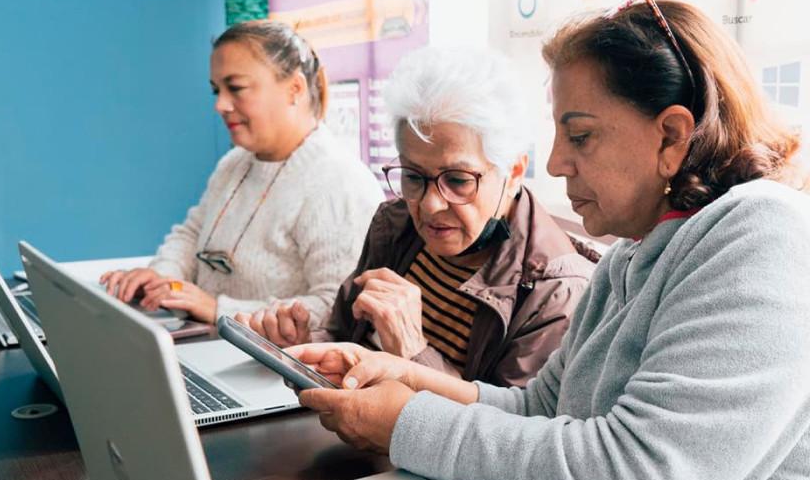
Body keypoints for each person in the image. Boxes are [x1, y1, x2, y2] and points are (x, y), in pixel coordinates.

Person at [281, 0, 810, 480]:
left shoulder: (770, 238)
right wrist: (400, 373)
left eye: (580, 135)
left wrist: (406, 423)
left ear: (670, 135)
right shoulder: (635, 254)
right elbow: (539, 412)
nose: (558, 162)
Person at [237, 47, 597, 387]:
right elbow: (343, 336)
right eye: (412, 177)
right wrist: (303, 346)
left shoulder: (556, 292)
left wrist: (412, 351)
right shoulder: (395, 224)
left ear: (514, 170)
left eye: (457, 180)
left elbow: (509, 438)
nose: (429, 206)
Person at [99, 21, 383, 324]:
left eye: (235, 88)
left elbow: (337, 310)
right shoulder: (234, 163)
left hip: (273, 366)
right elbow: (192, 234)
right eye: (216, 91)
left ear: (294, 88)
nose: (220, 105)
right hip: (210, 344)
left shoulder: (340, 183)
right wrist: (162, 278)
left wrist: (219, 310)